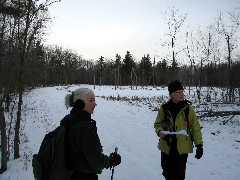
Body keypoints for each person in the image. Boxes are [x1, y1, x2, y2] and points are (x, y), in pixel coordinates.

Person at [62, 87, 121, 180]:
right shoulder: (84, 127)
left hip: (70, 174)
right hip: (83, 176)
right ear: (80, 104)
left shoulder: (69, 119)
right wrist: (111, 161)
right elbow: (96, 161)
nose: (95, 104)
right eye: (91, 100)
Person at [154, 80, 203, 180]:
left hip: (181, 149)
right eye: (178, 92)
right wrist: (160, 132)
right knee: (167, 173)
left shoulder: (188, 109)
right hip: (166, 147)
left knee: (178, 176)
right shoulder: (164, 109)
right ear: (172, 94)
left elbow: (195, 128)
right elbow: (157, 124)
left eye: (182, 91)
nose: (182, 94)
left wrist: (199, 145)